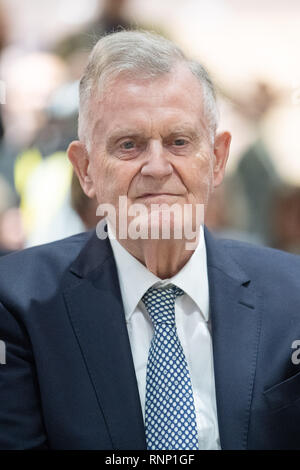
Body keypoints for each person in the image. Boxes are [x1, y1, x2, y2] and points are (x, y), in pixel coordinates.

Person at [0, 30, 300, 451]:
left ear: (216, 160)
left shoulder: (293, 295)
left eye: (179, 141)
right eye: (129, 145)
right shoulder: (17, 303)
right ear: (85, 168)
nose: (157, 167)